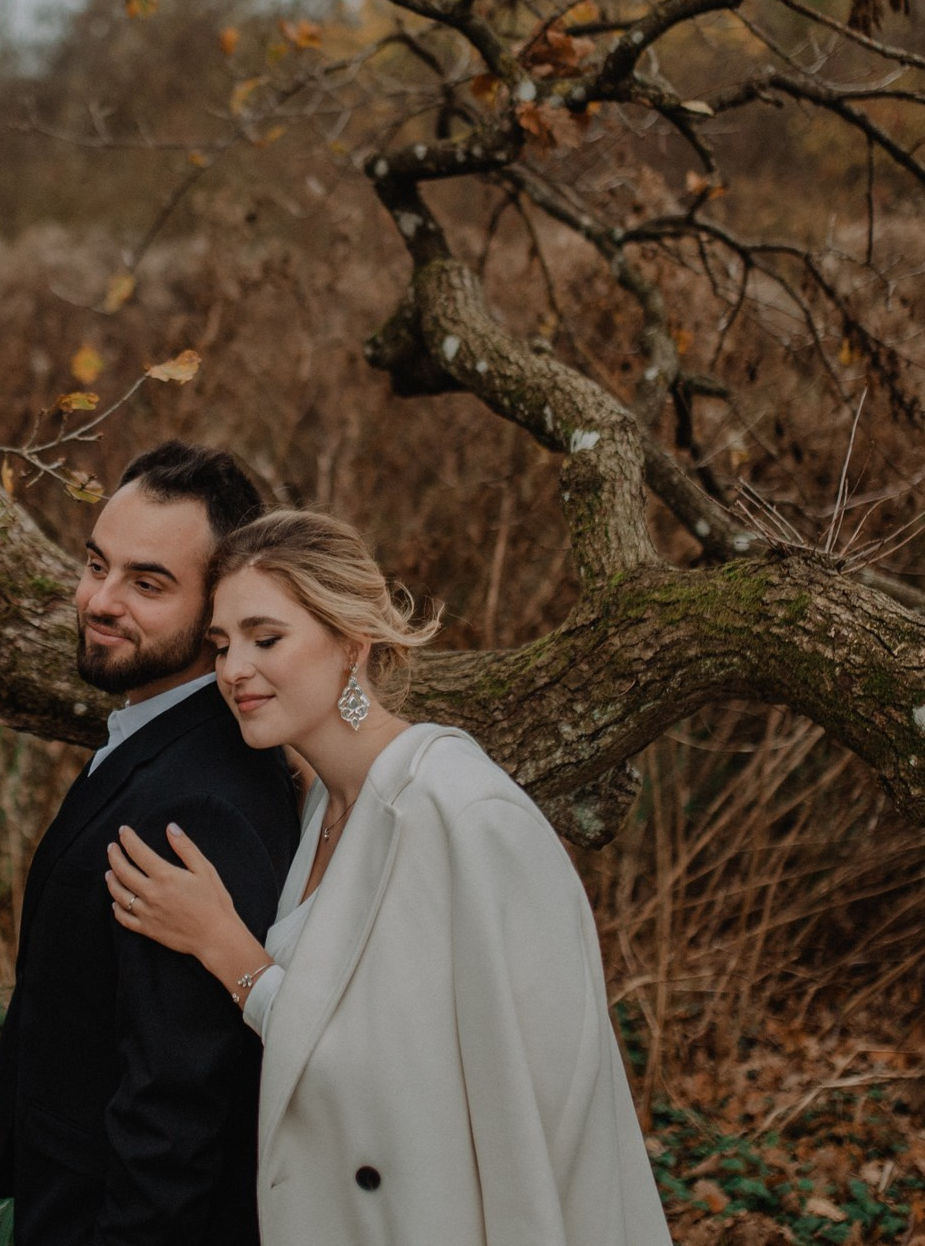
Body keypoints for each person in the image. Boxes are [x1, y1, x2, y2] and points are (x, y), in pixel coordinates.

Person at [103, 510, 671, 1246]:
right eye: (221, 644)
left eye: (265, 637)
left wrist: (234, 957)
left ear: (351, 642)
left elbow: (507, 1104)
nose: (234, 668)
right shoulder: (322, 809)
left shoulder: (463, 813)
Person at [0, 442, 303, 1246]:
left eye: (147, 583)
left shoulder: (197, 803)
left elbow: (176, 1106)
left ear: (220, 609)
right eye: (96, 564)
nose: (98, 600)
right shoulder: (156, 729)